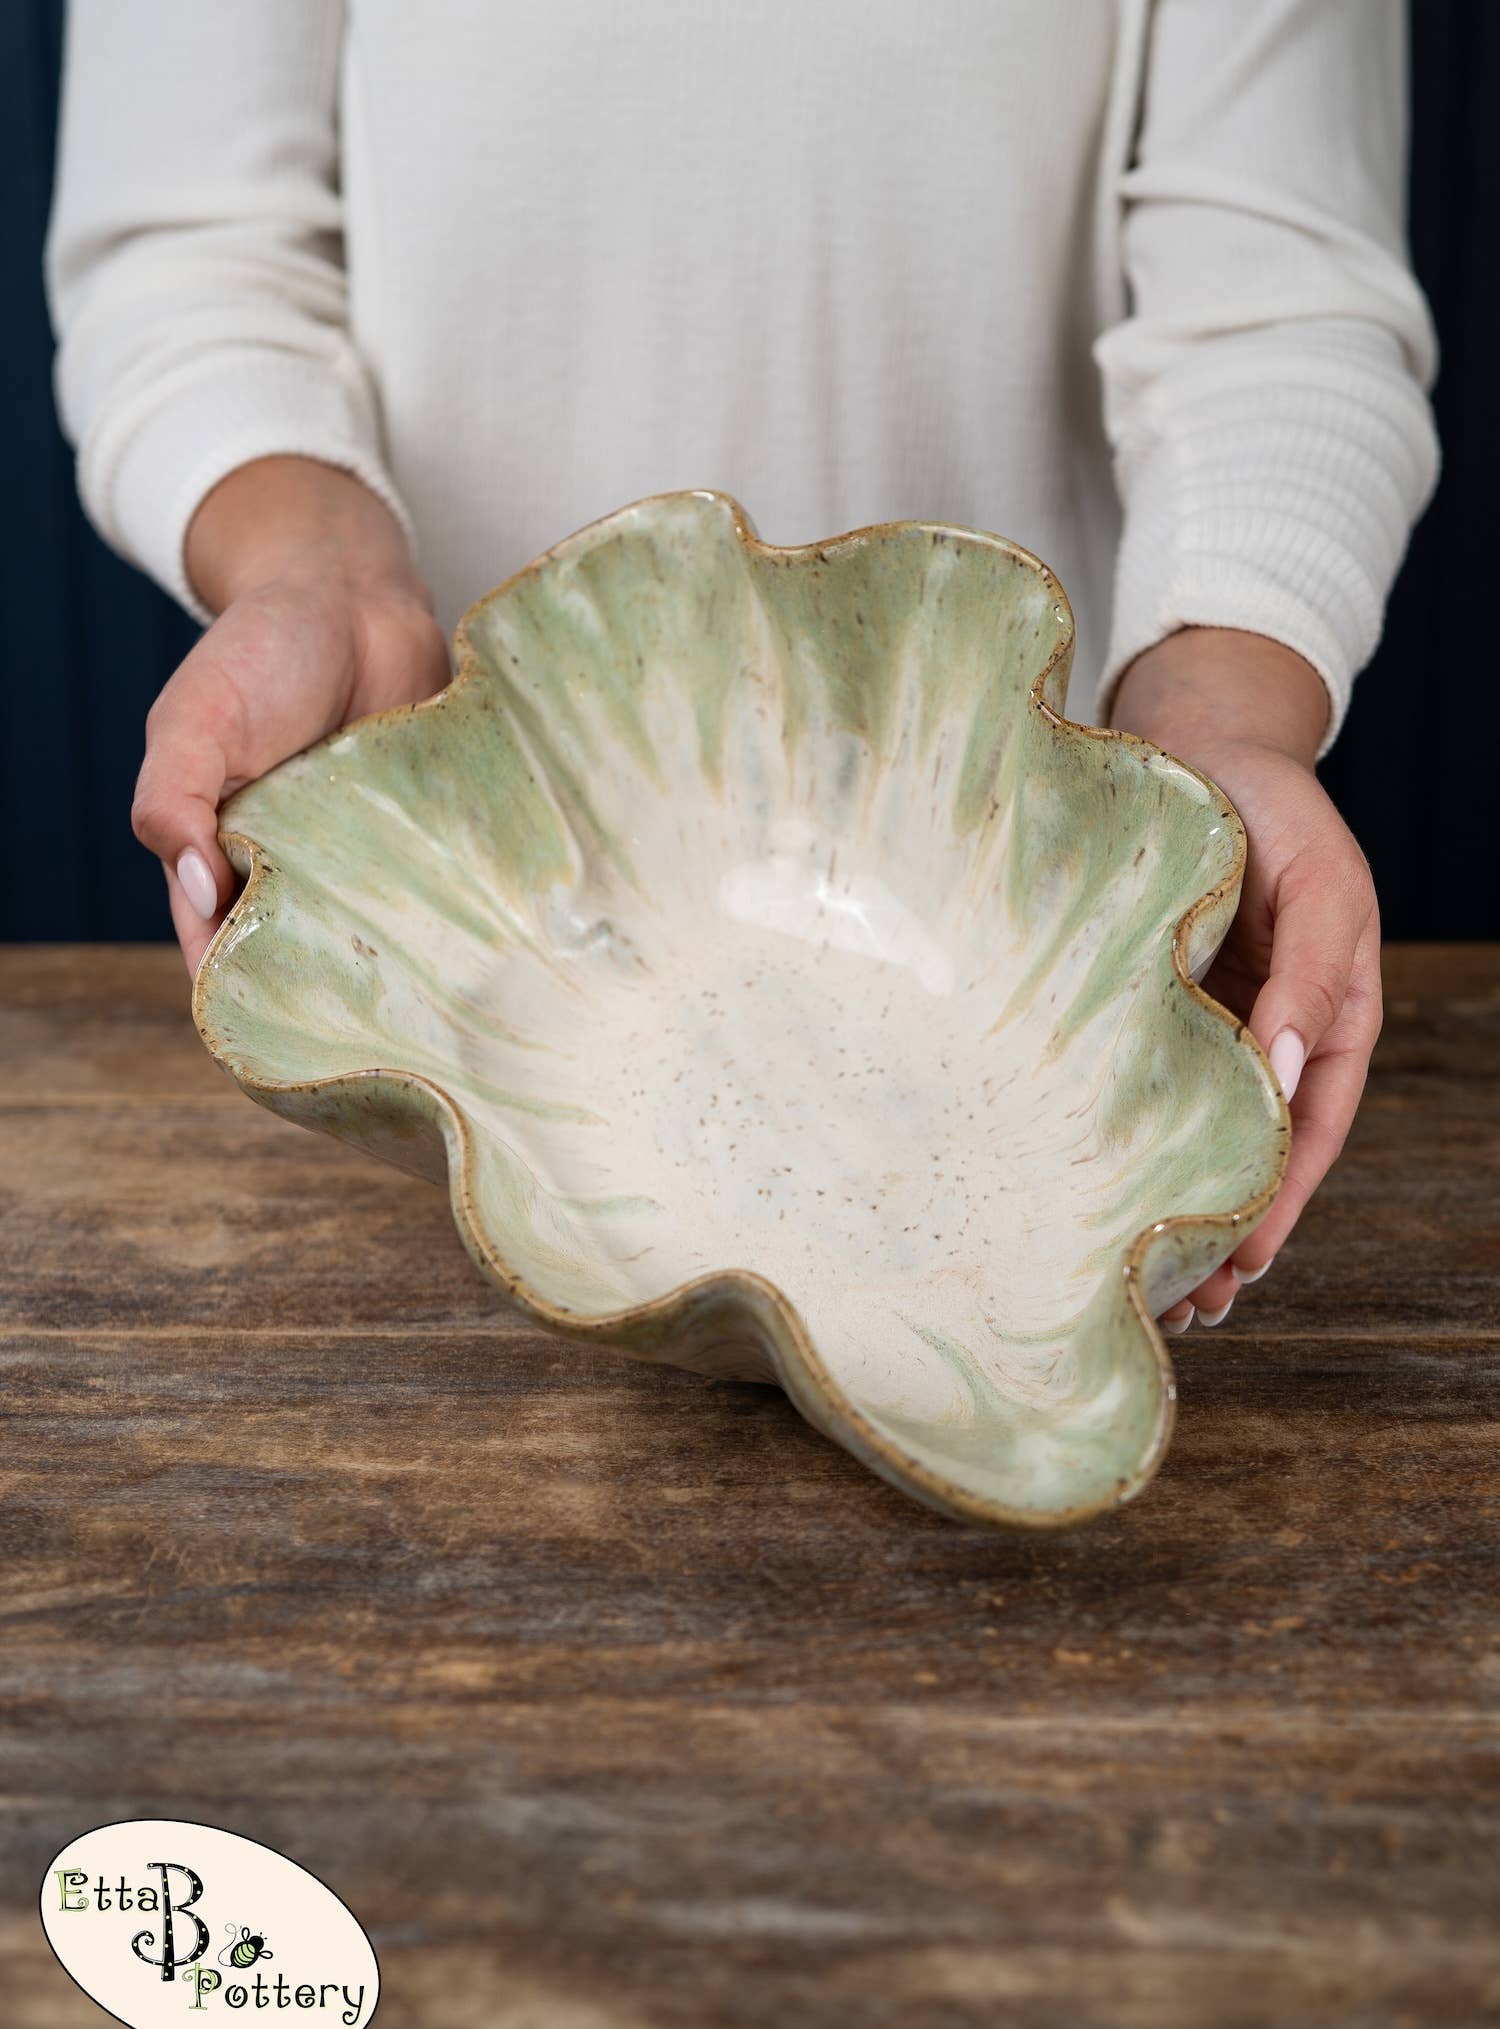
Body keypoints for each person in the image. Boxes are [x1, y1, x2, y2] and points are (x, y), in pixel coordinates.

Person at [44, 1, 1437, 1332]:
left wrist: (1219, 716)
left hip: (1023, 957)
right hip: (473, 935)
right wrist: (321, 574)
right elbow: (194, 244)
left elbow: (1279, 288)